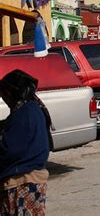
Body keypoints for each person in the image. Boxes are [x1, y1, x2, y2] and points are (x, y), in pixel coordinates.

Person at [0, 69, 53, 215]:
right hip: (30, 178)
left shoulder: (25, 113)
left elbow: (11, 149)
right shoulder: (32, 108)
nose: (4, 98)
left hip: (23, 181)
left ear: (12, 92)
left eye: (3, 94)